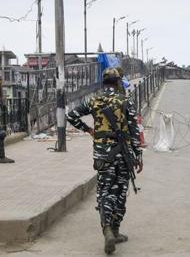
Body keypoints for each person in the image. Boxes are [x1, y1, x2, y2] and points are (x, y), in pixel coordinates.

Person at [66, 68, 143, 255]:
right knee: (120, 191)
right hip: (123, 155)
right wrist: (138, 155)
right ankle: (114, 230)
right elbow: (134, 131)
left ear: (104, 83)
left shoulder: (93, 101)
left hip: (102, 155)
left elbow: (71, 116)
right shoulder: (125, 101)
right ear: (118, 82)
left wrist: (89, 130)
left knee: (105, 192)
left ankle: (107, 228)